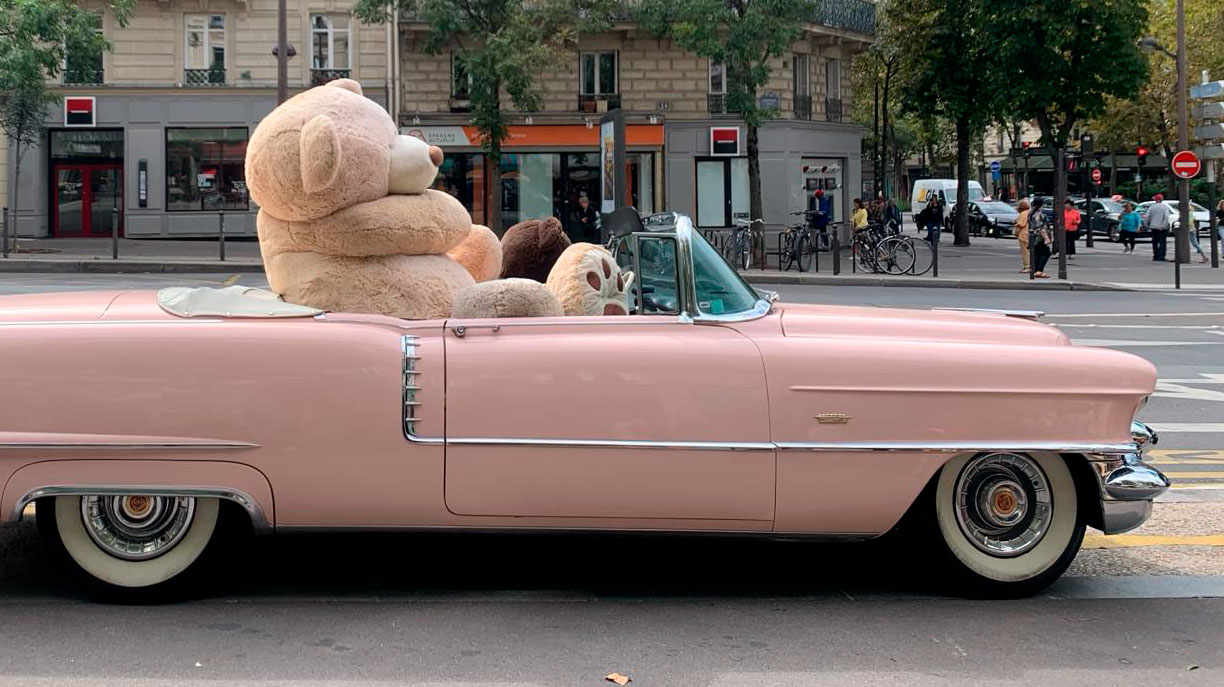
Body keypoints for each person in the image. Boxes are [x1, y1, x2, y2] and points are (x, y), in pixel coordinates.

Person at [1028, 197, 1053, 278]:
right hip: (1040, 237)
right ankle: (1039, 270)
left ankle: (1035, 270)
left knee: (1037, 253)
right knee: (1046, 253)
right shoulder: (1039, 214)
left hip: (1033, 236)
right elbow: (1040, 227)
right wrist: (1046, 238)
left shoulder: (1031, 213)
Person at [1143, 193, 1172, 261]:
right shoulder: (1164, 207)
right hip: (1162, 227)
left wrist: (1146, 225)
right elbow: (1166, 216)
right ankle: (1161, 256)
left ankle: (1155, 255)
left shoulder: (1152, 207)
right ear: (1162, 199)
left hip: (1153, 226)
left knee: (1154, 242)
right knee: (1162, 242)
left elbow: (1147, 217)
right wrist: (1163, 225)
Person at [1013, 200, 1031, 273]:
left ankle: (1027, 266)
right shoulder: (1029, 213)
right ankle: (1029, 265)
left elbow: (1021, 224)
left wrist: (1015, 225)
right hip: (1029, 234)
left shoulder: (1023, 214)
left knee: (1025, 252)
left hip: (1023, 235)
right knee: (1029, 251)